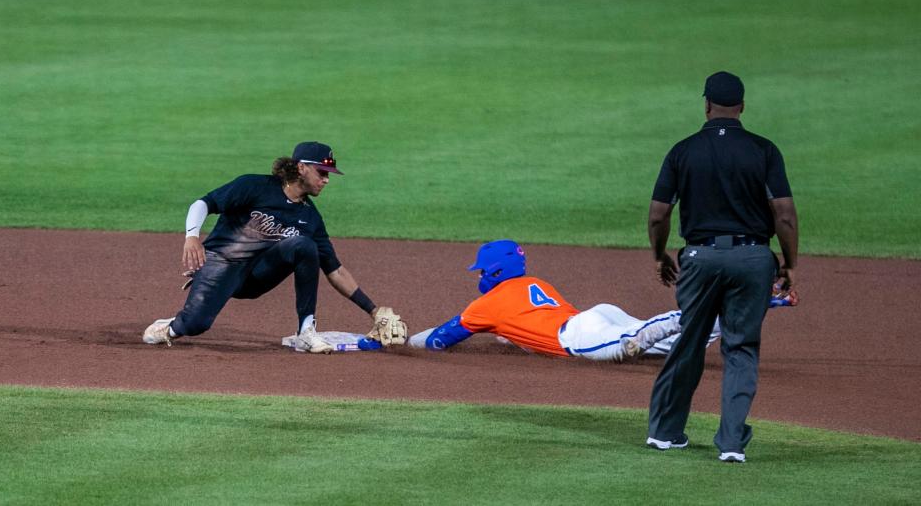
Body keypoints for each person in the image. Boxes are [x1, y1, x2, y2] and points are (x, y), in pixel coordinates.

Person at [645, 71, 799, 463]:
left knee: (689, 341)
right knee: (741, 349)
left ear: (707, 105)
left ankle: (664, 433)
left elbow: (658, 216)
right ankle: (731, 444)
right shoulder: (764, 150)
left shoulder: (684, 151)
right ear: (742, 107)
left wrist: (660, 255)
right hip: (752, 259)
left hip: (699, 257)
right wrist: (789, 264)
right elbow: (784, 215)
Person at [142, 141, 407, 353]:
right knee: (195, 324)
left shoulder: (310, 217)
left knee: (304, 246)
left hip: (257, 277)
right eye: (322, 172)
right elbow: (204, 203)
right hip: (221, 264)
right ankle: (170, 327)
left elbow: (335, 271)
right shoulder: (255, 186)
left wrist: (373, 310)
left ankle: (306, 331)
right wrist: (191, 236)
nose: (326, 180)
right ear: (302, 167)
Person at [408, 240, 709, 361]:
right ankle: (716, 318)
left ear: (497, 271)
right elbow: (528, 323)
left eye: (483, 271)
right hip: (597, 316)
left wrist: (405, 343)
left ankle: (677, 318)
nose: (479, 277)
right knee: (675, 347)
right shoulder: (535, 284)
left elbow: (440, 339)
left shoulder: (487, 305)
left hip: (579, 336)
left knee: (629, 343)